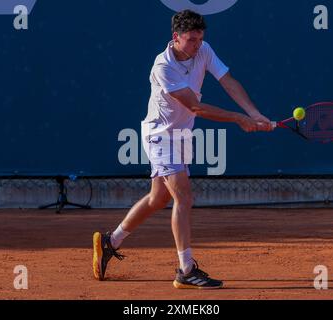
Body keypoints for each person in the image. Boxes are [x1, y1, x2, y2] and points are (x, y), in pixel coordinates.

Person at [93, 9, 273, 289]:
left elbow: (227, 81)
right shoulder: (162, 67)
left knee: (158, 199)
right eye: (191, 40)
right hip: (159, 137)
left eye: (200, 39)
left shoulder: (204, 50)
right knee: (184, 198)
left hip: (182, 136)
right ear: (175, 37)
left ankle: (110, 241)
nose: (197, 45)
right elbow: (196, 107)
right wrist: (239, 119)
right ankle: (186, 269)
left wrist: (254, 113)